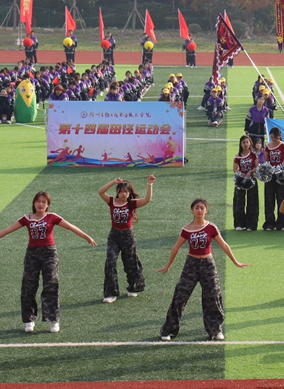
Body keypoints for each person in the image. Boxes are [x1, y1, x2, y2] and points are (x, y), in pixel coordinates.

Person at [0, 191, 96, 333]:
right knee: (28, 286)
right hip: (32, 254)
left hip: (49, 253)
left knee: (51, 284)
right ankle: (29, 319)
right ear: (34, 203)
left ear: (48, 205)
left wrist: (87, 237)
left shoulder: (52, 217)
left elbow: (71, 226)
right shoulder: (26, 218)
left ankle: (53, 320)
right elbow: (8, 229)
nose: (41, 204)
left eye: (44, 202)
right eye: (38, 201)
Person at [158, 198, 247, 341]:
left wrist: (235, 261)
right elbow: (176, 247)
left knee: (213, 296)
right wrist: (168, 265)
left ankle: (215, 330)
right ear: (192, 210)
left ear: (206, 210)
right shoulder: (186, 229)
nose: (199, 210)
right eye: (197, 208)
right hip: (191, 265)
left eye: (202, 208)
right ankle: (168, 330)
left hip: (208, 264)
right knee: (180, 296)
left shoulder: (211, 227)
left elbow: (224, 245)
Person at [98, 175, 155, 304]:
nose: (124, 194)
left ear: (129, 193)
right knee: (110, 261)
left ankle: (133, 287)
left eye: (126, 191)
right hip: (114, 235)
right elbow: (100, 191)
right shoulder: (111, 201)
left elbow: (147, 199)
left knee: (130, 261)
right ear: (117, 192)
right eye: (121, 191)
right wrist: (113, 182)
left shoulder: (132, 203)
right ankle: (110, 293)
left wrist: (149, 184)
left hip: (128, 235)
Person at [262, 126, 284, 231]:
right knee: (269, 199)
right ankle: (269, 223)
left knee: (282, 199)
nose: (273, 139)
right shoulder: (267, 146)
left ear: (280, 136)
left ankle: (281, 223)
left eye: (275, 137)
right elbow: (265, 160)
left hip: (281, 176)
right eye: (272, 137)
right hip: (270, 176)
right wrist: (266, 171)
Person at [233, 135, 259, 231]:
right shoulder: (238, 156)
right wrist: (241, 175)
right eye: (243, 142)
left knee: (252, 202)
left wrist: (250, 172)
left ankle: (251, 225)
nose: (245, 144)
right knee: (239, 202)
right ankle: (239, 224)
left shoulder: (254, 155)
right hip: (241, 181)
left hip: (251, 180)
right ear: (240, 144)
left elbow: (257, 166)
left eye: (247, 142)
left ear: (250, 143)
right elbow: (234, 169)